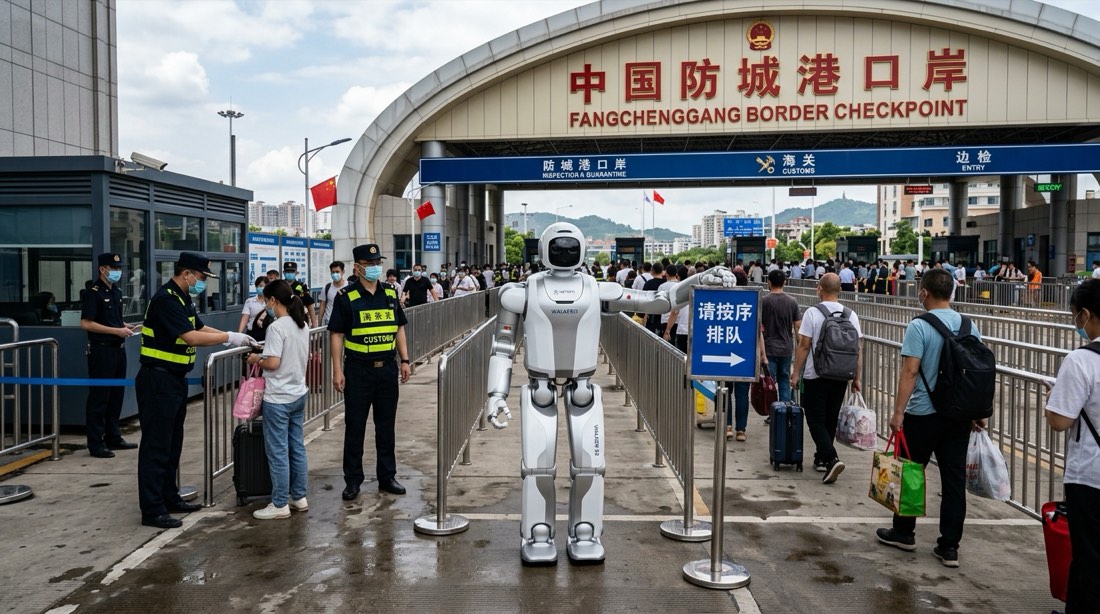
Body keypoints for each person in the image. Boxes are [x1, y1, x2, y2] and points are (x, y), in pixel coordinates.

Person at [136, 252, 257, 529]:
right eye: (202, 277)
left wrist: (232, 339)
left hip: (173, 379)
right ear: (187, 273)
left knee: (172, 444)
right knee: (157, 446)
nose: (203, 282)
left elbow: (199, 327)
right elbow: (190, 337)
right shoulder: (167, 299)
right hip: (158, 380)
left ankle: (169, 496)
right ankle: (152, 509)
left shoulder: (182, 298)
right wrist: (230, 336)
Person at [876, 269, 984, 569]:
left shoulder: (919, 326)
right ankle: (949, 547)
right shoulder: (969, 325)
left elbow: (910, 371)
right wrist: (976, 411)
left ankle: (903, 532)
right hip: (959, 415)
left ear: (924, 292)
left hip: (923, 413)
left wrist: (898, 412)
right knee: (953, 481)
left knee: (911, 472)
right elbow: (975, 372)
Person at [328, 244, 412, 501]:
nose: (376, 267)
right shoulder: (346, 297)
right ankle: (353, 480)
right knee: (355, 427)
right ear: (357, 267)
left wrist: (405, 360)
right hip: (358, 371)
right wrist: (337, 370)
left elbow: (398, 327)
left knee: (386, 427)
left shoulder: (390, 293)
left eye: (378, 262)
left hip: (387, 370)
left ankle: (387, 476)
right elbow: (336, 334)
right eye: (370, 263)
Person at [1044, 279, 1100, 611]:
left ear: (1086, 314)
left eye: (1075, 315)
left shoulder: (1082, 360)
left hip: (1090, 476)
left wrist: (1054, 398)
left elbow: (1059, 421)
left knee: (1090, 556)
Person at [247, 280, 311, 520]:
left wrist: (256, 359)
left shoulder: (276, 327)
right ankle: (299, 497)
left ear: (273, 301)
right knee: (296, 448)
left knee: (278, 452)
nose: (266, 305)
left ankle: (280, 503)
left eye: (267, 301)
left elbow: (273, 363)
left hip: (278, 398)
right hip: (298, 393)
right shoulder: (302, 324)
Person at [791, 273, 862, 483]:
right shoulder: (851, 314)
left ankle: (831, 458)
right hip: (841, 375)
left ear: (819, 289)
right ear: (839, 290)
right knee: (830, 418)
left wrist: (795, 373)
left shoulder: (813, 313)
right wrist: (857, 377)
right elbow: (858, 349)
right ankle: (821, 458)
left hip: (816, 374)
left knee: (815, 419)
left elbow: (804, 345)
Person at [81, 252, 140, 458]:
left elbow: (112, 319)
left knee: (116, 396)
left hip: (118, 349)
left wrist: (124, 326)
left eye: (119, 268)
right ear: (102, 269)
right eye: (113, 268)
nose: (117, 272)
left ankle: (113, 437)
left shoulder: (116, 291)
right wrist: (116, 331)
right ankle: (96, 443)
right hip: (102, 350)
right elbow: (86, 323)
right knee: (100, 397)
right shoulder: (93, 292)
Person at [761, 270, 802, 404]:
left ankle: (772, 409)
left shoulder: (764, 301)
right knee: (784, 379)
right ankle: (784, 410)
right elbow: (797, 327)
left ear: (769, 282)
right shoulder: (792, 301)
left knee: (770, 382)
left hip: (769, 348)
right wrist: (800, 348)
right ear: (785, 282)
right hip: (786, 348)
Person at [318, 261, 347, 326]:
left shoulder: (349, 286)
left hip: (345, 323)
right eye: (333, 272)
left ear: (343, 272)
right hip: (329, 323)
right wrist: (319, 323)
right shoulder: (326, 288)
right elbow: (322, 306)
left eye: (337, 272)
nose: (335, 274)